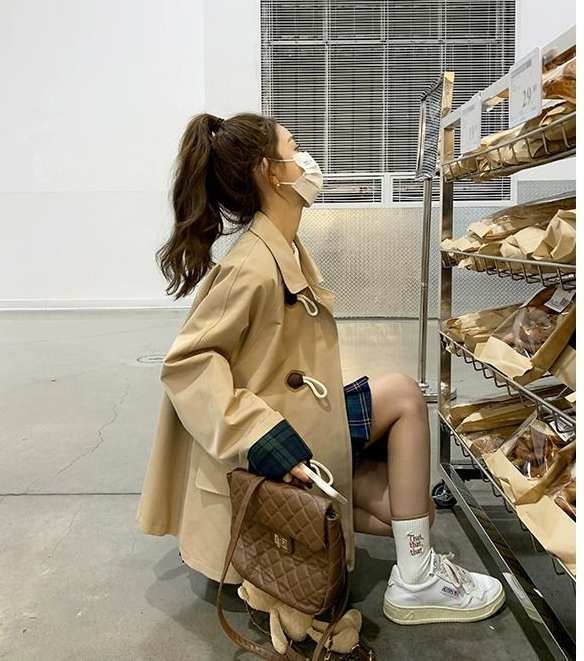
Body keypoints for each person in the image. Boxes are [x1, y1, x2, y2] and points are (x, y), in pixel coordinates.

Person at [137, 112, 505, 625]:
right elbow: (189, 364)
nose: (308, 160)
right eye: (296, 148)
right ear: (271, 171)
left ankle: (411, 563)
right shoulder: (250, 266)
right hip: (276, 434)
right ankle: (416, 578)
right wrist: (259, 436)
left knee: (412, 504)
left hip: (301, 416)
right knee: (404, 406)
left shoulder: (280, 244)